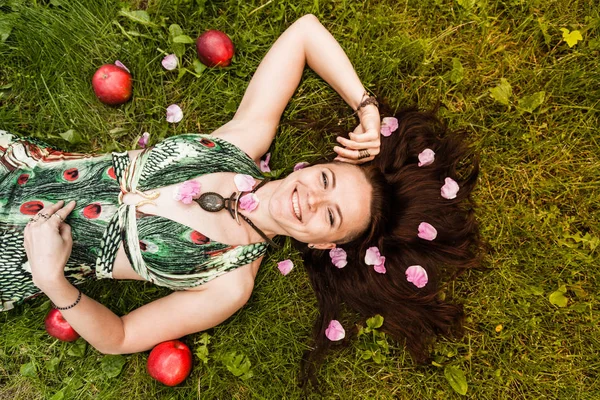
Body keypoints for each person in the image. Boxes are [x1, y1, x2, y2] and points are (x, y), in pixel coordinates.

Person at [0, 14, 479, 384]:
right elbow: (305, 33)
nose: (311, 199)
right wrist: (366, 108)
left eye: (330, 217)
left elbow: (119, 338)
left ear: (319, 245)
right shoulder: (241, 143)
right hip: (17, 165)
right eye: (327, 180)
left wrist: (52, 281)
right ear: (313, 166)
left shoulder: (230, 282)